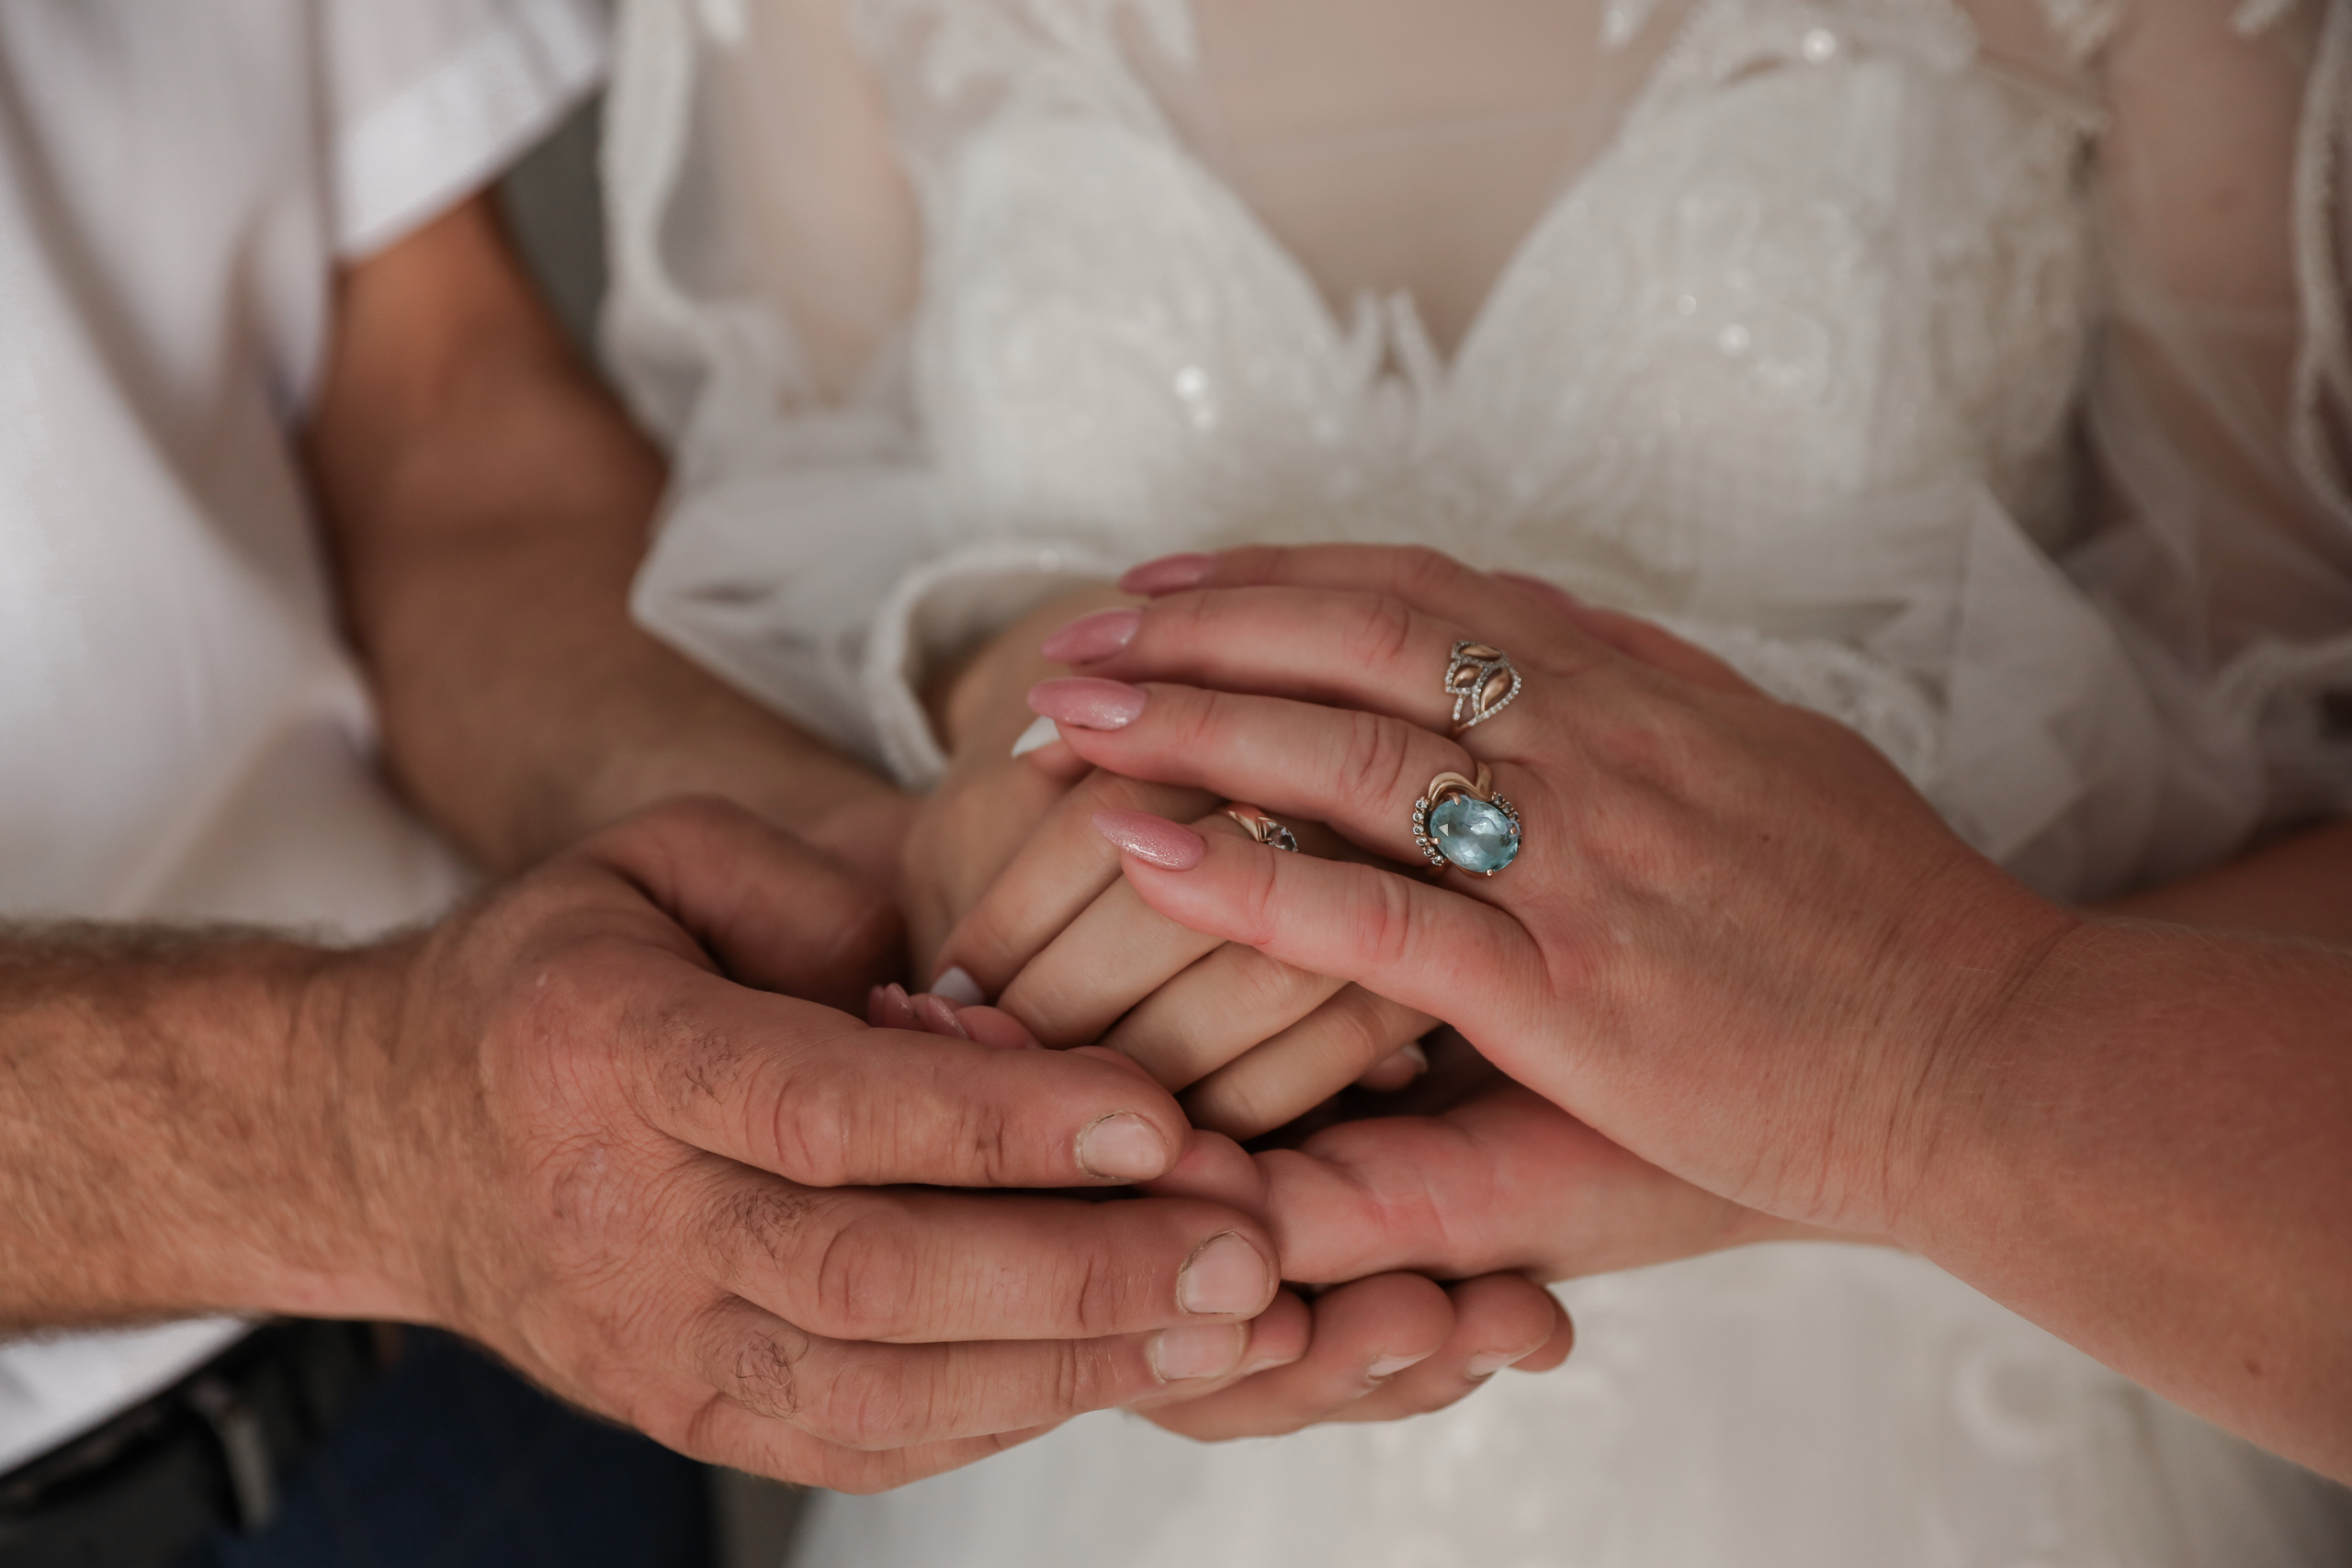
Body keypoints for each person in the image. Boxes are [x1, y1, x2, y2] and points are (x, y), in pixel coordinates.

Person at [599, 0, 2352, 1561]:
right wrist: (1018, 708)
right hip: (1125, 1425)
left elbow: (2306, 774)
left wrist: (1865, 1077)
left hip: (1964, 1378)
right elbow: (786, 542)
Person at [0, 4, 1555, 1562]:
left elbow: (439, 447)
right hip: (430, 1201)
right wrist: (374, 1133)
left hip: (478, 1364)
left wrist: (879, 865)